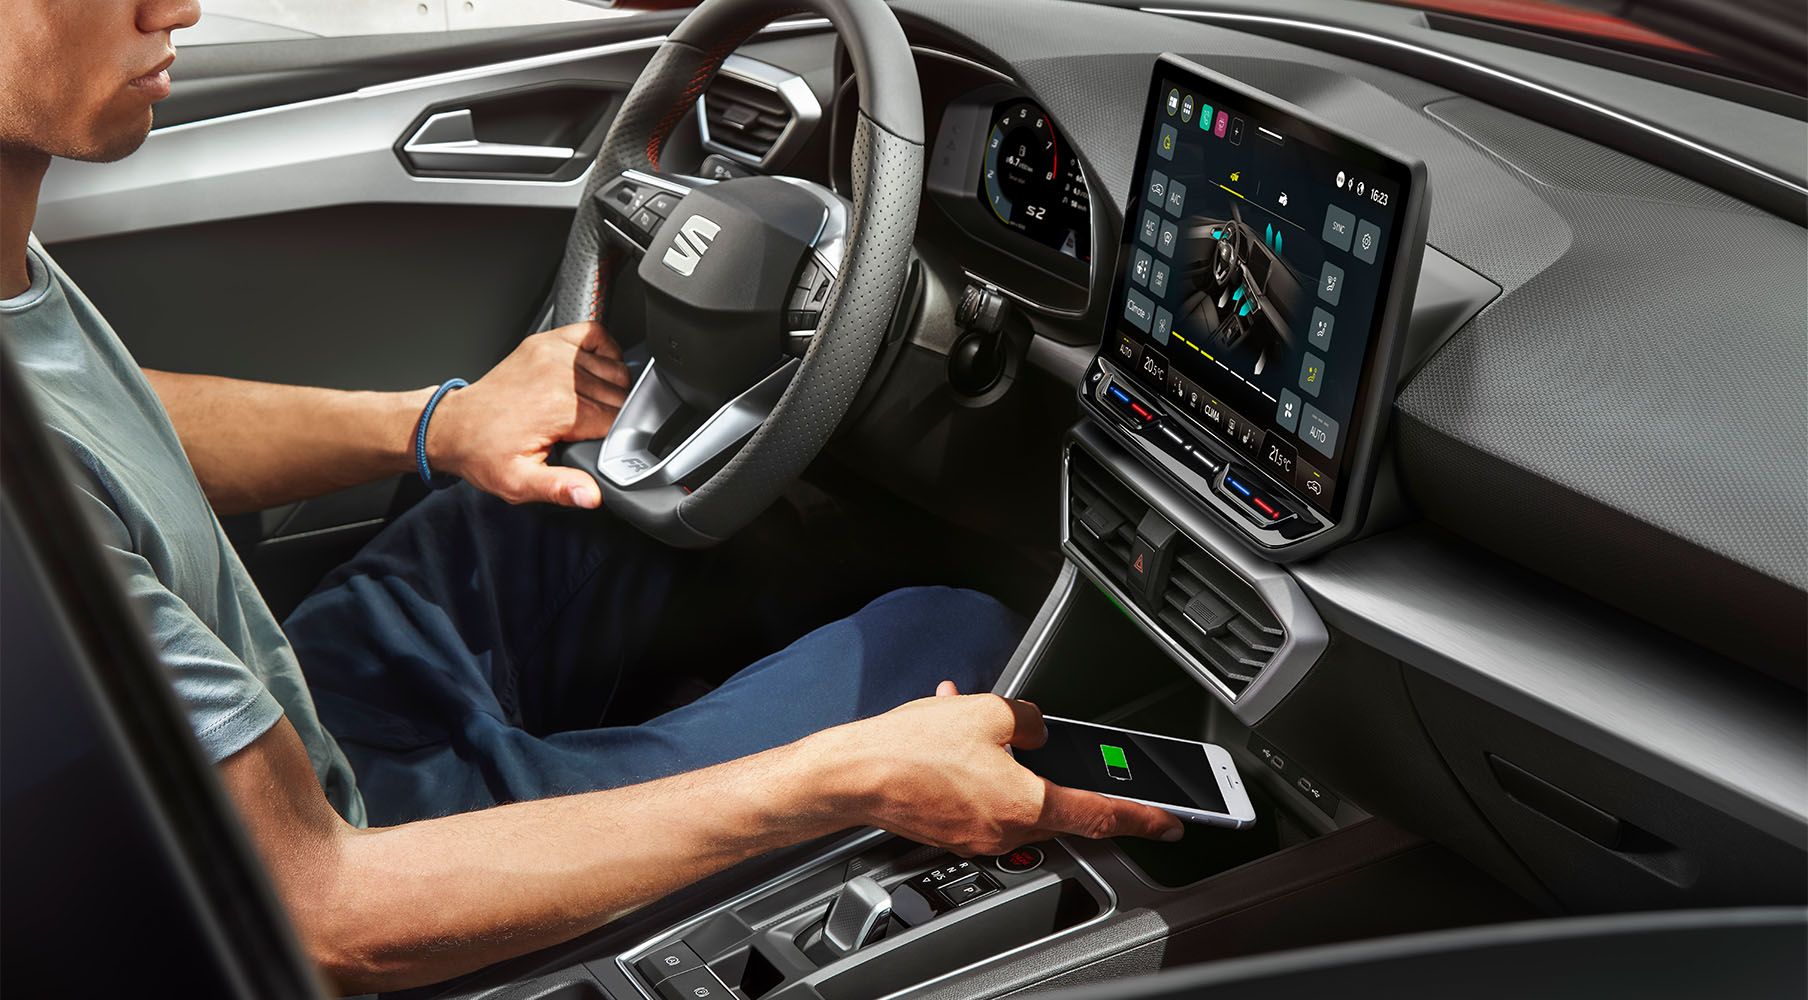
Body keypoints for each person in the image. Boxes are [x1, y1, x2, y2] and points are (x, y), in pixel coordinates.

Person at [0, 0, 1183, 993]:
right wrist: (847, 777)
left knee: (586, 498)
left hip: (298, 725)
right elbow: (318, 916)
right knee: (956, 631)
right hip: (362, 865)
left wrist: (435, 424)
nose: (181, 7)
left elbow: (105, 420)